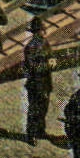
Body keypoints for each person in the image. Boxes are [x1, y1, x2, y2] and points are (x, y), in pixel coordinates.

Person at [21, 16, 54, 146]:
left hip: (45, 82)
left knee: (44, 108)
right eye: (41, 30)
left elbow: (50, 54)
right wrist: (47, 65)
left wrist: (52, 59)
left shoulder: (45, 43)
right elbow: (32, 67)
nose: (44, 32)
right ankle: (31, 135)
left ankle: (40, 130)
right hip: (35, 83)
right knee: (34, 109)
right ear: (36, 31)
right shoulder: (30, 47)